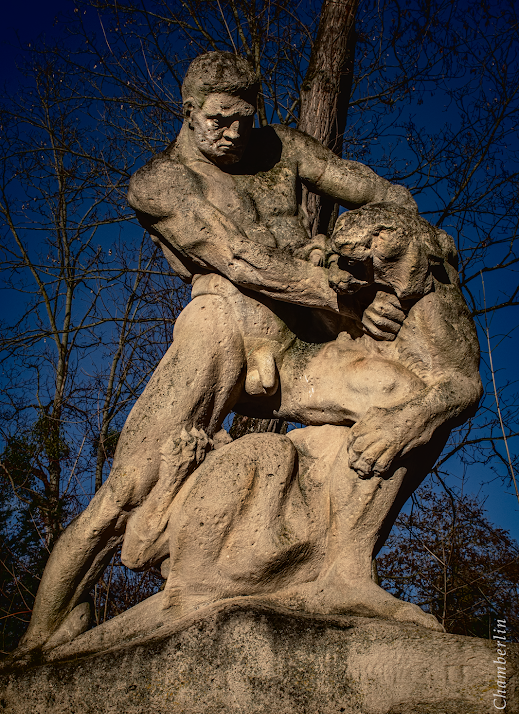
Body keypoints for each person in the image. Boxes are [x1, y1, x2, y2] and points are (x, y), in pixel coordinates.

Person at [16, 53, 481, 654]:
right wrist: (340, 297)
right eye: (220, 118)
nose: (234, 132)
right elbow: (237, 256)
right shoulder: (160, 182)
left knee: (410, 397)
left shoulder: (281, 148)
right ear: (190, 112)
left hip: (295, 348)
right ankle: (42, 632)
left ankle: (345, 571)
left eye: (244, 118)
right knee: (130, 487)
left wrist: (400, 235)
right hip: (222, 329)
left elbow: (369, 186)